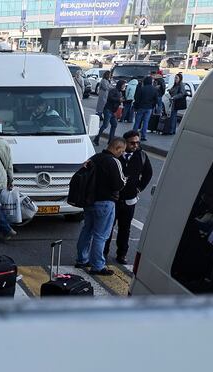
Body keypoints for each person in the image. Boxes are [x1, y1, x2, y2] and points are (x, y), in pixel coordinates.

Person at [75, 137, 127, 277]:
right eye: (122, 151)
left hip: (89, 201)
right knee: (100, 235)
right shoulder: (113, 161)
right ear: (117, 148)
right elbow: (119, 184)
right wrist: (125, 180)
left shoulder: (94, 158)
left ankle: (82, 259)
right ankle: (97, 266)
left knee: (87, 230)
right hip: (105, 202)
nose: (122, 154)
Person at [104, 130, 153, 264]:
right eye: (132, 143)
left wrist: (139, 188)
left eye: (137, 142)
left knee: (125, 229)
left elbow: (148, 173)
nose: (135, 145)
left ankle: (122, 254)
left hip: (130, 201)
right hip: (113, 200)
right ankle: (103, 253)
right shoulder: (116, 155)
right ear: (125, 143)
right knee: (108, 227)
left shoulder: (141, 156)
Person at [132, 76, 159, 141]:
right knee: (146, 122)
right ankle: (143, 136)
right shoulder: (154, 89)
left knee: (137, 122)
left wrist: (136, 107)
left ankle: (133, 135)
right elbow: (156, 100)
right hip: (149, 108)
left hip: (141, 107)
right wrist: (152, 106)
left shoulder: (142, 89)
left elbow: (137, 99)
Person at [96, 80, 123, 146]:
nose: (124, 86)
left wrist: (120, 101)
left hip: (112, 111)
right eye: (123, 85)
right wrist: (118, 100)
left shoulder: (119, 92)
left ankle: (111, 141)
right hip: (108, 110)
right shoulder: (114, 90)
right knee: (105, 125)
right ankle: (96, 138)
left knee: (114, 124)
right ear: (120, 85)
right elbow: (110, 97)